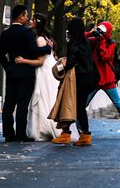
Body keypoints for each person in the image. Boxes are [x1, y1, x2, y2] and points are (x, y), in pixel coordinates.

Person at [0, 5, 51, 143]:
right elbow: (34, 50)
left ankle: (9, 134)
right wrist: (48, 48)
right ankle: (21, 134)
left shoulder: (5, 33)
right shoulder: (26, 32)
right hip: (26, 73)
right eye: (26, 15)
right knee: (22, 104)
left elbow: (1, 55)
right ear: (20, 17)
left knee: (9, 104)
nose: (27, 18)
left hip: (12, 73)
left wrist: (8, 68)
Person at [84, 21, 120, 138]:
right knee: (82, 105)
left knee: (119, 104)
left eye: (102, 31)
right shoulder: (94, 41)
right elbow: (80, 40)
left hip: (107, 80)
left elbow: (105, 56)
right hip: (95, 79)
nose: (100, 33)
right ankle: (77, 129)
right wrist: (90, 33)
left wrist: (101, 41)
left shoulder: (111, 44)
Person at [51, 17, 98, 146]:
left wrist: (60, 66)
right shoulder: (86, 42)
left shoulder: (74, 42)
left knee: (68, 103)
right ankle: (84, 135)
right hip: (89, 78)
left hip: (77, 79)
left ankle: (67, 134)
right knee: (79, 107)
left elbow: (71, 61)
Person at [21, 14, 59, 140]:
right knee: (48, 98)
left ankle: (45, 129)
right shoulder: (46, 38)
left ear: (36, 22)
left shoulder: (40, 39)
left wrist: (23, 61)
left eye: (32, 20)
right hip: (49, 70)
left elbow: (40, 62)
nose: (30, 21)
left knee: (44, 99)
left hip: (44, 72)